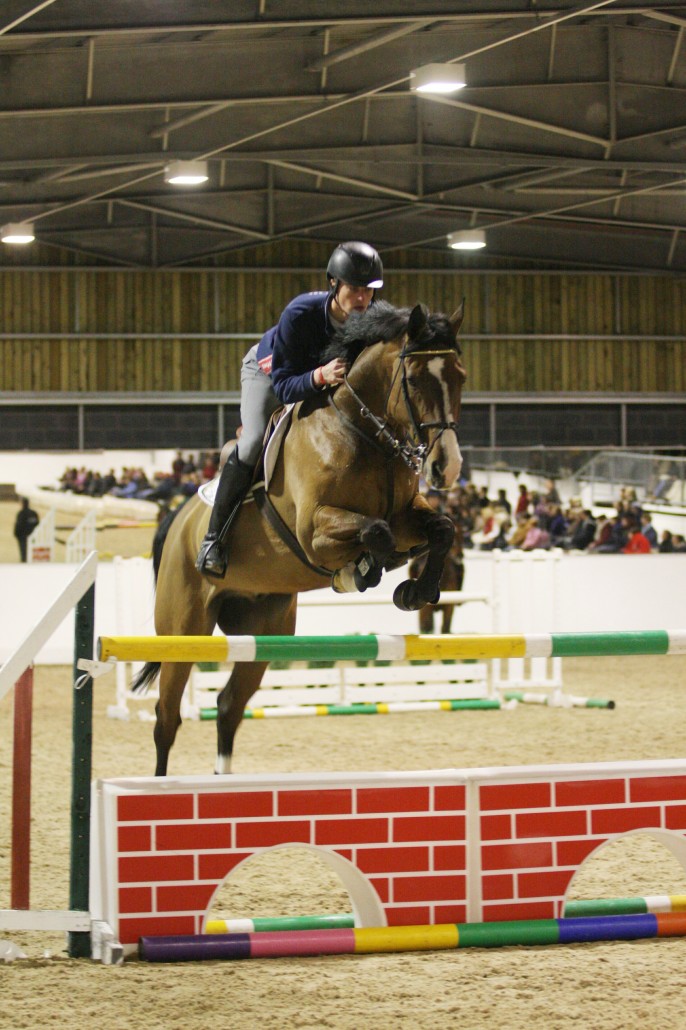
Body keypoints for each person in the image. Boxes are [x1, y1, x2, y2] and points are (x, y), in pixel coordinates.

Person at [195, 241, 384, 577]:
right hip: (268, 373)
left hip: (320, 381)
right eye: (354, 289)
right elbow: (284, 387)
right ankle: (214, 539)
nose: (362, 299)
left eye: (368, 292)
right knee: (253, 440)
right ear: (333, 284)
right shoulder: (301, 313)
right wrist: (319, 376)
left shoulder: (371, 319)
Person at [14, 497, 39, 562]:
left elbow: (18, 525)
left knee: (24, 555)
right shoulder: (33, 513)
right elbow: (37, 524)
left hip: (23, 537)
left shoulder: (21, 513)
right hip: (32, 536)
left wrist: (16, 534)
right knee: (31, 553)